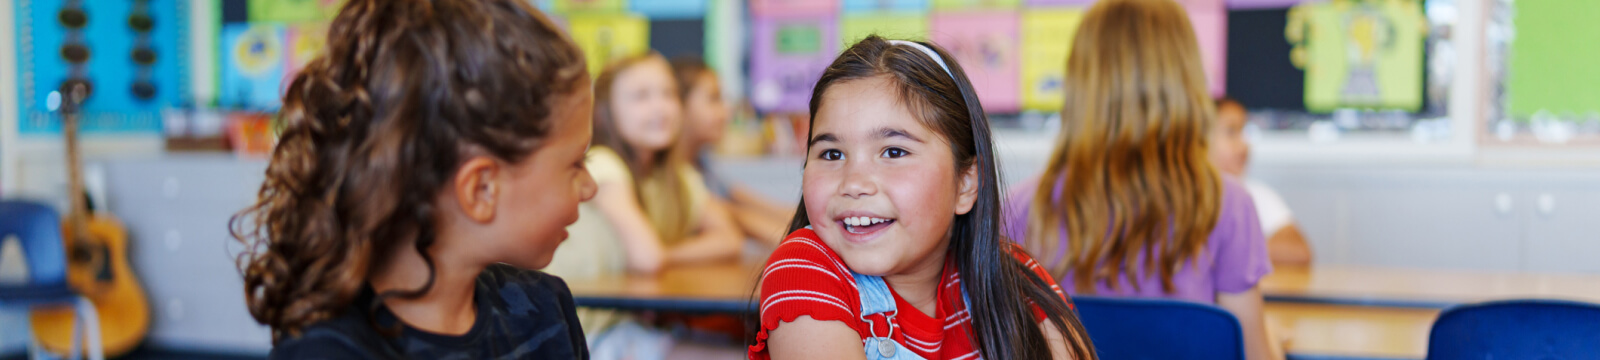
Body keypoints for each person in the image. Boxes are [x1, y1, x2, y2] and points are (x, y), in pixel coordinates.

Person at [232, 0, 597, 357]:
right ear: (481, 189)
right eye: (576, 163)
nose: (590, 187)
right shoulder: (328, 349)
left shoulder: (549, 310)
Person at [751, 36, 1097, 360]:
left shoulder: (1012, 279)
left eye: (894, 152)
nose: (854, 183)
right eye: (831, 154)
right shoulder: (803, 270)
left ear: (965, 184)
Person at [1002, 1, 1284, 359]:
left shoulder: (1020, 207)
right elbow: (1253, 354)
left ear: (1079, 81)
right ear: (1188, 81)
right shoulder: (1227, 203)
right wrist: (1270, 337)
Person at [543, 53, 746, 360]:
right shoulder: (604, 164)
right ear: (606, 111)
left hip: (624, 324)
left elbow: (729, 239)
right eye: (641, 96)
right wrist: (663, 254)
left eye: (668, 94)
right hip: (581, 330)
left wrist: (666, 254)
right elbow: (648, 259)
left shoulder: (676, 177)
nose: (660, 107)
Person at [670, 57, 793, 247]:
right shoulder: (672, 175)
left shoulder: (703, 164)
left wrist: (808, 219)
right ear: (680, 106)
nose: (727, 111)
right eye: (714, 99)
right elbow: (738, 216)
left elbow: (745, 200)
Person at [1210, 97, 1313, 268]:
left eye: (1244, 131)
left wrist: (1222, 249)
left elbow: (1299, 251)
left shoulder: (1256, 194)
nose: (1244, 145)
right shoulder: (1183, 195)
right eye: (1230, 132)